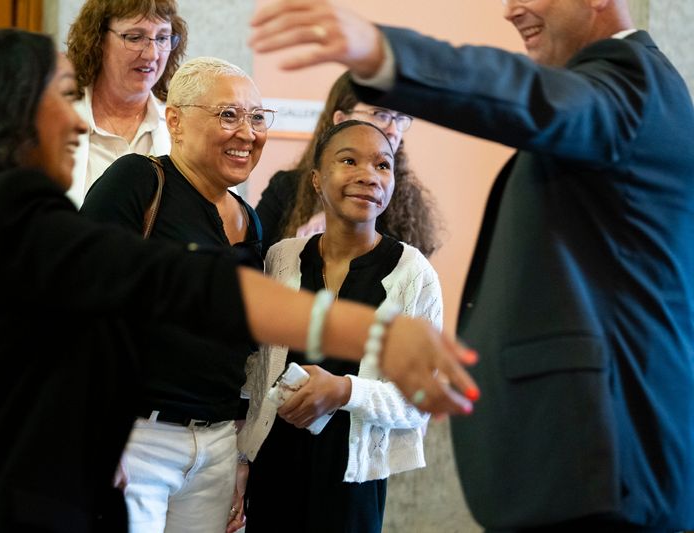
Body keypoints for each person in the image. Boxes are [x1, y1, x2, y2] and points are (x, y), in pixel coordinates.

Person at [0, 28, 479, 533]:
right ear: (10, 109)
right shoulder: (26, 205)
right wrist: (373, 335)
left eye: (256, 117)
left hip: (211, 445)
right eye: (65, 95)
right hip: (78, 462)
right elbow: (182, 283)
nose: (78, 121)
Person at [249, 0, 694, 531]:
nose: (512, 9)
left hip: (611, 464)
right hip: (588, 465)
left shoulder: (633, 82)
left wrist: (384, 52)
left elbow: (527, 95)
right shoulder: (630, 98)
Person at [80, 56, 270, 533]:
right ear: (176, 120)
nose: (247, 133)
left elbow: (242, 347)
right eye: (228, 115)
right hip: (137, 437)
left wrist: (240, 456)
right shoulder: (139, 182)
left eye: (257, 117)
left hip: (217, 444)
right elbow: (77, 303)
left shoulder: (250, 220)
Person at [239, 120, 439, 533]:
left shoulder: (412, 273)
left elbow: (419, 398)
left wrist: (344, 390)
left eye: (383, 166)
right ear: (316, 179)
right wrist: (241, 460)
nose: (368, 175)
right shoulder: (282, 258)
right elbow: (254, 369)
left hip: (351, 482)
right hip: (273, 468)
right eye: (349, 160)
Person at [255, 71, 440, 257]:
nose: (393, 130)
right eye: (380, 114)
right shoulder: (285, 187)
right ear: (341, 120)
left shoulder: (406, 204)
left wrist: (342, 224)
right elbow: (249, 266)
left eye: (400, 118)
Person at [65, 0, 187, 207]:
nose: (152, 54)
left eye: (162, 38)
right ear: (97, 39)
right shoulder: (53, 121)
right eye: (135, 37)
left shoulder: (185, 124)